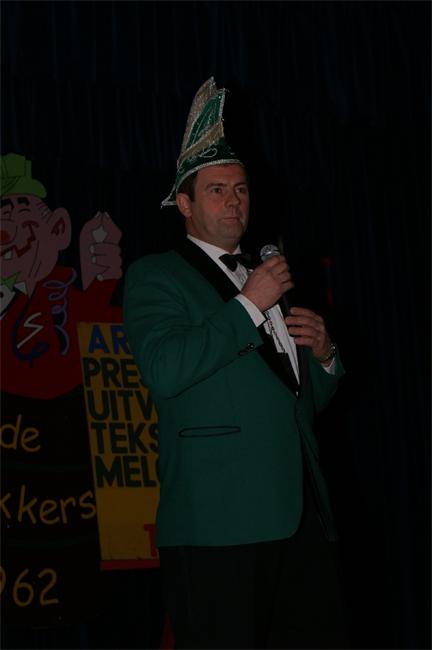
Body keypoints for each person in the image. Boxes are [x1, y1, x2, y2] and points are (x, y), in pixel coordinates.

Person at [123, 77, 349, 649]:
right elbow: (165, 369)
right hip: (218, 523)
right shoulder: (157, 275)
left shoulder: (265, 272)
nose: (234, 201)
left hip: (300, 515)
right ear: (185, 204)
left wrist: (324, 358)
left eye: (241, 189)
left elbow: (291, 403)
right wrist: (249, 305)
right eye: (217, 189)